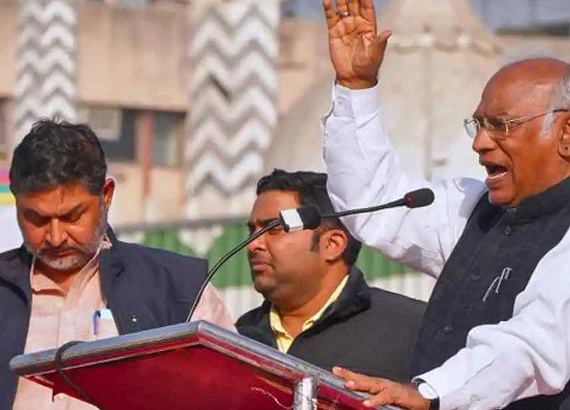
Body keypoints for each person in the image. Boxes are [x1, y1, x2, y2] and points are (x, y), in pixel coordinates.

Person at [319, 0, 570, 410]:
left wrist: (430, 392)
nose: (479, 143)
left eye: (500, 126)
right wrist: (355, 86)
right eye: (479, 125)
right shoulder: (476, 212)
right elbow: (373, 205)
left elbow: (532, 345)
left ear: (568, 132)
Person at [1, 119, 235, 410]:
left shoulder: (176, 289)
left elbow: (231, 394)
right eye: (37, 219)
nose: (56, 236)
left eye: (73, 217)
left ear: (107, 195)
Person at [236, 169, 425, 381]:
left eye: (273, 229)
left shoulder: (412, 329)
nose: (253, 244)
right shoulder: (237, 338)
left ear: (332, 244)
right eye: (253, 230)